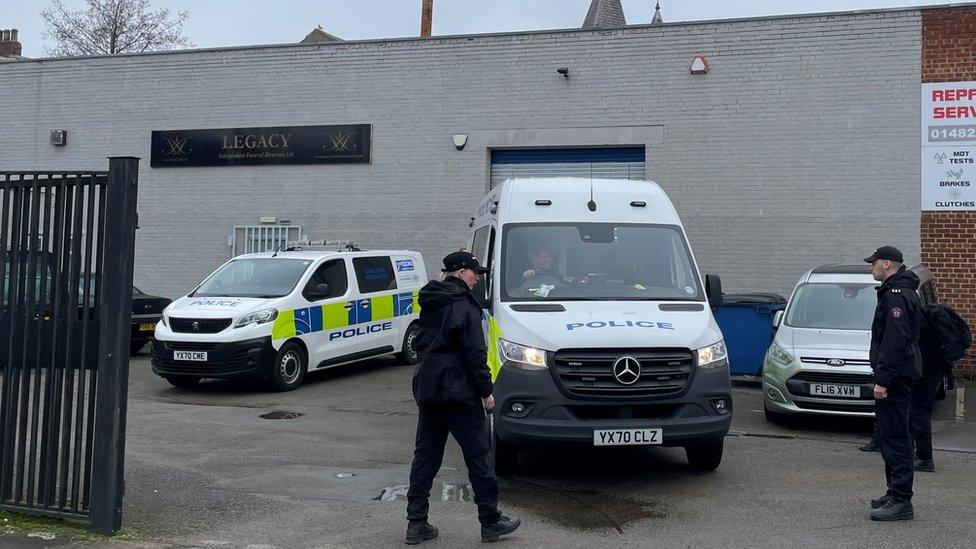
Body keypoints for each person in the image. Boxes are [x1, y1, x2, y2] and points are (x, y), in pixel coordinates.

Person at [405, 251, 521, 545]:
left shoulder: (432, 300)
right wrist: (486, 392)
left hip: (430, 390)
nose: (477, 278)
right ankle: (490, 521)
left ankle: (416, 523)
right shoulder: (464, 305)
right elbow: (474, 354)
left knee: (425, 458)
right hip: (459, 392)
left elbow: (421, 343)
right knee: (479, 457)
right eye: (474, 272)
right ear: (460, 273)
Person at [864, 246, 922, 522]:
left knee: (897, 437)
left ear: (886, 264)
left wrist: (883, 380)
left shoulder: (897, 296)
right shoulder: (895, 292)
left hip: (896, 378)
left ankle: (901, 500)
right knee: (889, 436)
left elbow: (895, 341)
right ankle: (893, 492)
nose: (870, 268)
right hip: (896, 375)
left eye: (873, 263)